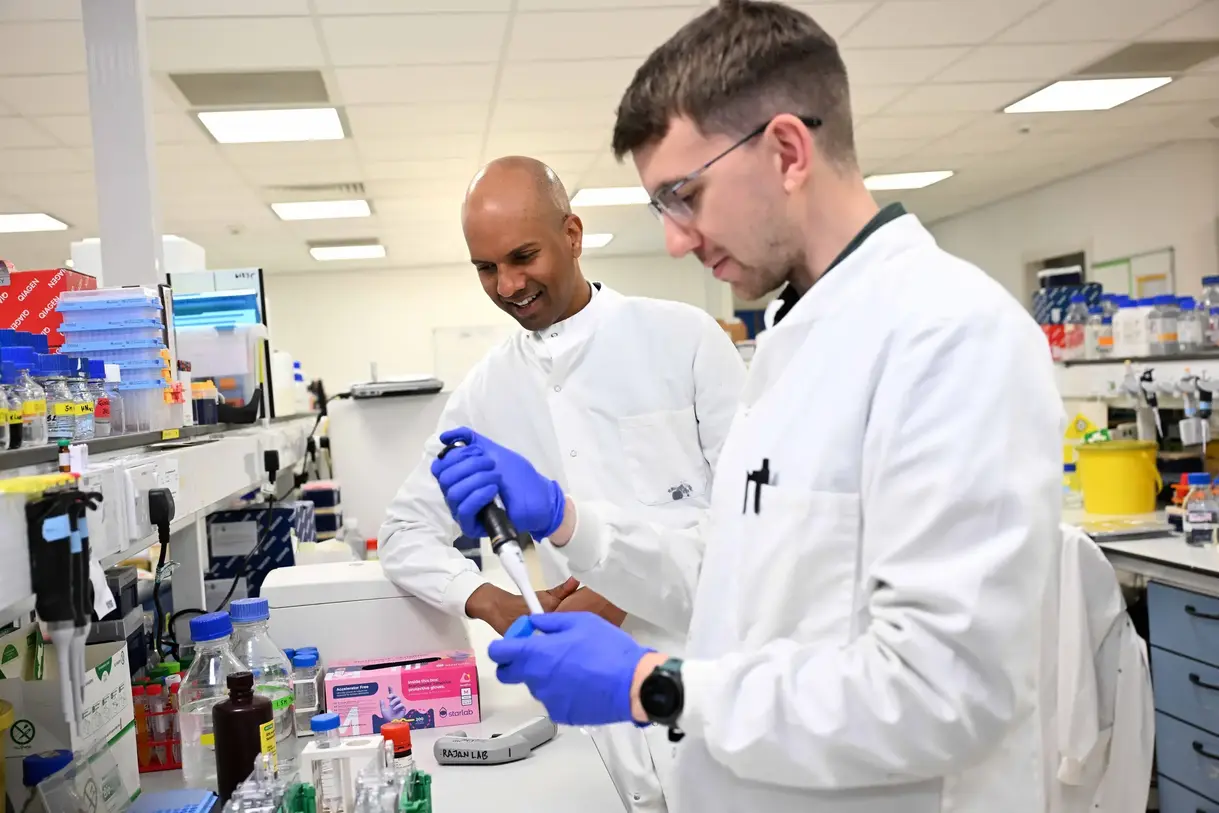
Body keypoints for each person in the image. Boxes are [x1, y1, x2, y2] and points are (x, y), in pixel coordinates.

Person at [430, 3, 1064, 813]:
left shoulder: (948, 337)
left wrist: (654, 686)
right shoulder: (795, 342)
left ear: (787, 151)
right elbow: (730, 578)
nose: (674, 239)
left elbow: (946, 689)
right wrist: (567, 521)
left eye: (684, 194)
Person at [378, 155, 746, 812]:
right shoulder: (487, 391)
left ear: (571, 235)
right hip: (592, 732)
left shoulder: (684, 339)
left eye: (523, 256)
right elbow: (404, 531)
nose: (508, 283)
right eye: (485, 268)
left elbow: (749, 534)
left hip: (711, 689)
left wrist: (612, 587)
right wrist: (492, 599)